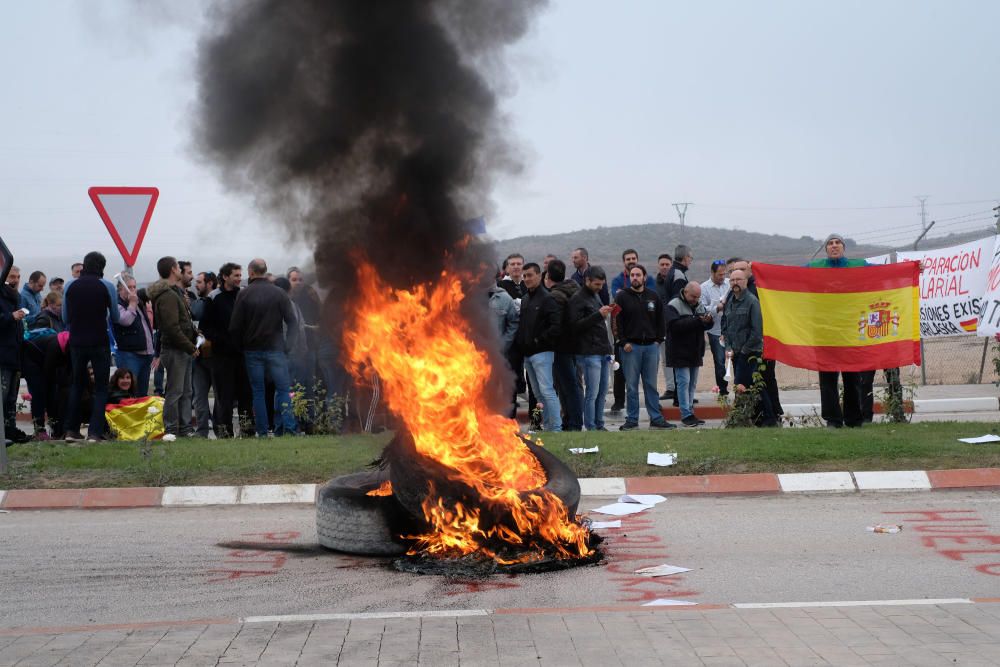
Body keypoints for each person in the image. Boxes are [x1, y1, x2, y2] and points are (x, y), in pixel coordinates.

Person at [804, 234, 869, 427]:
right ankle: (833, 419)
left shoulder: (859, 264)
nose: (833, 246)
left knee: (852, 378)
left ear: (843, 247)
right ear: (826, 249)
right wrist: (759, 271)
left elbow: (886, 272)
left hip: (850, 330)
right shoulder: (815, 267)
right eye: (830, 244)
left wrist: (914, 268)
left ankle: (854, 419)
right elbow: (788, 275)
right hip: (824, 331)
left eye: (837, 243)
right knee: (828, 379)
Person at [229, 258, 298, 437]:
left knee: (258, 392)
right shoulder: (279, 293)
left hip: (252, 351)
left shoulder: (244, 294)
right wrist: (288, 346)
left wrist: (241, 348)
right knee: (283, 390)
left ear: (251, 272)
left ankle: (262, 431)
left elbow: (235, 327)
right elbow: (292, 322)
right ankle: (289, 429)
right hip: (276, 350)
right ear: (265, 270)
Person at [63, 251, 119, 442]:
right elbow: (116, 317)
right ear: (102, 268)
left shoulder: (70, 286)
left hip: (77, 341)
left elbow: (65, 318)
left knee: (77, 385)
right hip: (99, 341)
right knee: (101, 388)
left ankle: (70, 430)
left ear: (84, 266)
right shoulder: (107, 286)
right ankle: (94, 433)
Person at [615, 264, 674, 430]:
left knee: (651, 385)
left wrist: (658, 341)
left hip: (650, 348)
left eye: (638, 275)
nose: (635, 277)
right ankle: (632, 419)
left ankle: (656, 417)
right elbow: (616, 322)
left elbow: (661, 321)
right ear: (629, 277)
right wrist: (623, 342)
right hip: (630, 348)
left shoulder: (653, 297)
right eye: (632, 275)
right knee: (632, 386)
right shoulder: (622, 297)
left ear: (644, 277)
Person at [148, 256, 199, 438]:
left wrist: (194, 334)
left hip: (182, 349)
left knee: (186, 391)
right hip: (175, 350)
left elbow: (183, 323)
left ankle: (185, 429)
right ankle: (171, 429)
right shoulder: (168, 296)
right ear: (172, 270)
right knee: (175, 391)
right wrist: (190, 346)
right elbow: (171, 328)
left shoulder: (175, 293)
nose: (180, 269)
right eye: (178, 267)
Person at [722, 268, 778, 426]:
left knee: (744, 386)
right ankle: (762, 419)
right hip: (735, 353)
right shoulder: (730, 301)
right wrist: (728, 347)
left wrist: (744, 350)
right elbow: (726, 327)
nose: (735, 283)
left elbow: (757, 331)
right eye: (732, 280)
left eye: (738, 279)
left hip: (750, 353)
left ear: (746, 281)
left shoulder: (752, 302)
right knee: (750, 386)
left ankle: (742, 420)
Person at [729, 256, 784, 417]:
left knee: (764, 380)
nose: (737, 275)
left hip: (760, 344)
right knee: (751, 382)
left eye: (742, 271)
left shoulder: (759, 289)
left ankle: (772, 414)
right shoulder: (735, 291)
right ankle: (758, 415)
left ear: (749, 271)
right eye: (732, 272)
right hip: (742, 346)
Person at [202, 262, 251, 437]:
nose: (239, 278)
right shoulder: (214, 297)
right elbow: (205, 327)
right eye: (236, 275)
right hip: (222, 357)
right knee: (225, 397)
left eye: (240, 275)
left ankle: (247, 431)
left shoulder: (243, 295)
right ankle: (225, 433)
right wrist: (222, 339)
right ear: (225, 277)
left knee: (246, 395)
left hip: (242, 354)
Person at [514, 262, 562, 432]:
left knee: (547, 391)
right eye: (524, 276)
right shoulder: (526, 299)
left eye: (530, 275)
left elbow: (556, 326)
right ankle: (547, 425)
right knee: (538, 394)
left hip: (543, 353)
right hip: (528, 355)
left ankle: (556, 428)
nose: (526, 279)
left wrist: (538, 341)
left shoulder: (548, 298)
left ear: (539, 275)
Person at [569, 265, 613, 431]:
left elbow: (601, 326)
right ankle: (591, 425)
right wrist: (598, 315)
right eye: (596, 284)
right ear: (587, 280)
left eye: (601, 284)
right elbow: (575, 326)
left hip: (602, 351)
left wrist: (609, 349)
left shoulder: (595, 296)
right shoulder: (577, 299)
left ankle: (599, 424)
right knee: (592, 393)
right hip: (588, 352)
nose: (600, 288)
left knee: (602, 392)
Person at [665, 282, 713, 427]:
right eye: (693, 296)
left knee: (692, 384)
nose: (696, 299)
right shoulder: (673, 305)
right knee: (683, 383)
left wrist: (708, 321)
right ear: (685, 292)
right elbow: (674, 327)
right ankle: (685, 414)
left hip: (695, 351)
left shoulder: (698, 305)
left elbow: (705, 325)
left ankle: (690, 412)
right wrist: (697, 320)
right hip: (679, 352)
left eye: (698, 297)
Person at [544, 259, 583, 431]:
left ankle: (573, 423)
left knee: (568, 387)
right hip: (575, 345)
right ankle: (570, 420)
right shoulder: (575, 290)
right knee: (570, 385)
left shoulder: (555, 296)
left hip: (561, 348)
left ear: (548, 277)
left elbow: (556, 325)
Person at [112, 276, 154, 399]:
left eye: (134, 287)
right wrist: (132, 304)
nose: (132, 290)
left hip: (146, 353)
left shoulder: (138, 301)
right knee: (129, 393)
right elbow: (126, 320)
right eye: (128, 287)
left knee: (142, 393)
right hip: (129, 354)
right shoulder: (117, 304)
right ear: (120, 289)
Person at [190, 270, 218, 438]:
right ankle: (202, 431)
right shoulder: (197, 302)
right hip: (199, 356)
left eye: (199, 282)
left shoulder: (212, 302)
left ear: (209, 283)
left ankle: (219, 428)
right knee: (199, 396)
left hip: (215, 356)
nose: (196, 285)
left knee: (219, 396)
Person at [0, 277, 28, 444]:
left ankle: (9, 432)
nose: (15, 280)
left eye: (18, 277)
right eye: (12, 276)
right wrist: (10, 317)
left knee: (11, 399)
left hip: (15, 354)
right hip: (3, 355)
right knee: (2, 397)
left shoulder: (14, 297)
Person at [700, 260, 730, 396]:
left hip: (732, 330)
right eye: (719, 274)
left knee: (737, 360)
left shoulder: (730, 284)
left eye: (724, 274)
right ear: (712, 273)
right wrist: (716, 308)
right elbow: (702, 309)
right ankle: (723, 390)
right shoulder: (704, 288)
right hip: (715, 331)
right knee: (719, 362)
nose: (722, 277)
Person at [654, 253, 676, 401]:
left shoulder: (677, 281)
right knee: (664, 360)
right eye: (662, 264)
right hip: (659, 326)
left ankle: (680, 389)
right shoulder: (653, 284)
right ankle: (670, 388)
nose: (664, 267)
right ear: (658, 266)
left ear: (671, 265)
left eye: (667, 264)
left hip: (675, 325)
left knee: (676, 358)